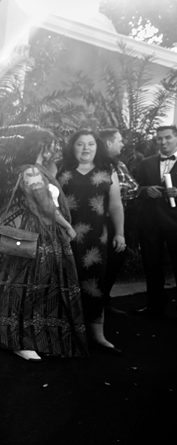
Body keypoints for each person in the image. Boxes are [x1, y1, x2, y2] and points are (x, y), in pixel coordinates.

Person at [0, 129, 88, 361]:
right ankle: (20, 341)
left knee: (45, 285)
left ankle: (41, 337)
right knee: (31, 284)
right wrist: (68, 226)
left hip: (48, 233)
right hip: (39, 231)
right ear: (41, 146)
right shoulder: (31, 171)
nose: (55, 150)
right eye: (51, 145)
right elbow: (46, 205)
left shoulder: (40, 170)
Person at [57, 129, 125, 354]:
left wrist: (120, 233)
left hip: (97, 238)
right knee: (65, 281)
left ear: (98, 147)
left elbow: (115, 205)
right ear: (72, 147)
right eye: (80, 144)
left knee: (95, 283)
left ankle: (97, 334)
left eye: (91, 144)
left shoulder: (108, 171)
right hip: (65, 235)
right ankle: (64, 333)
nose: (86, 148)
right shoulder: (60, 169)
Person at [131, 124, 177, 317]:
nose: (163, 142)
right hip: (150, 223)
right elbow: (134, 188)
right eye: (159, 138)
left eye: (168, 137)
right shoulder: (146, 163)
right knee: (152, 266)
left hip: (175, 223)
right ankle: (155, 305)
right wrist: (145, 191)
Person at [97, 128, 140, 315]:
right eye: (119, 140)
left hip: (116, 220)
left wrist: (115, 191)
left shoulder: (118, 165)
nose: (122, 144)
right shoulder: (92, 165)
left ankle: (104, 301)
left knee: (116, 257)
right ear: (108, 143)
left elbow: (134, 188)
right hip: (94, 221)